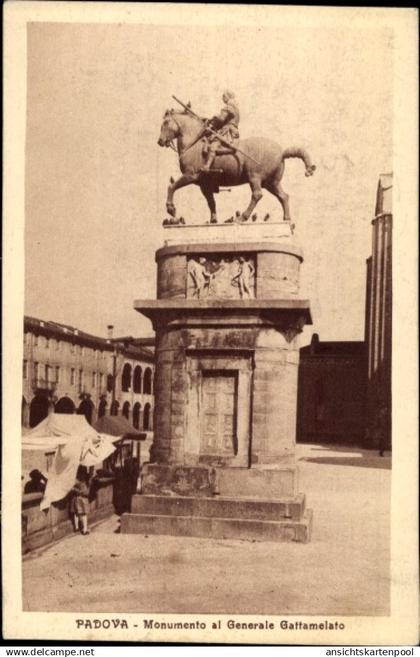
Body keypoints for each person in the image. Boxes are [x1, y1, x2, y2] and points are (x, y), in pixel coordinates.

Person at [201, 90, 240, 172]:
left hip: (227, 130)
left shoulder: (228, 107)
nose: (223, 99)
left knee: (213, 145)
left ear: (228, 97)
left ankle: (207, 166)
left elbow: (221, 119)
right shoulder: (236, 108)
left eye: (224, 96)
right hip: (234, 130)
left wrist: (213, 118)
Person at [69, 466, 91, 535]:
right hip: (83, 499)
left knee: (77, 513)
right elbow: (85, 492)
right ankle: (84, 529)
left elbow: (72, 488)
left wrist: (75, 490)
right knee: (84, 513)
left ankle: (77, 527)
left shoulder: (75, 480)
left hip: (77, 498)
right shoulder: (84, 481)